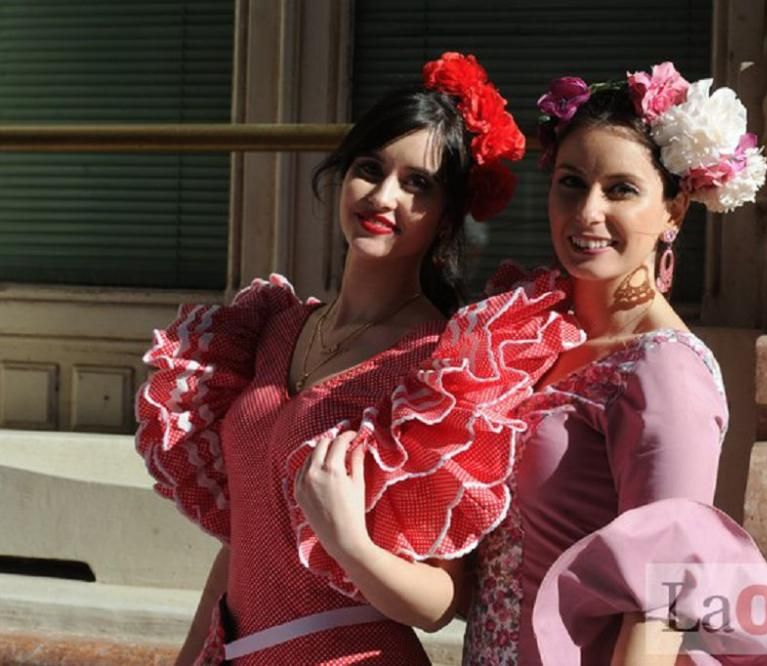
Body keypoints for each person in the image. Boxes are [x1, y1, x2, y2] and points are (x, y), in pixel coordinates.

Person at [134, 52, 526, 665]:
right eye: (370, 168)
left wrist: (349, 542)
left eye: (416, 183)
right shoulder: (275, 327)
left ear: (446, 214)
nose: (383, 195)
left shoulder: (438, 369)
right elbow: (247, 542)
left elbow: (445, 599)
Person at [455, 65, 767, 664]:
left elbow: (662, 602)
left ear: (675, 211)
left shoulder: (664, 369)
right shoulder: (535, 337)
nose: (587, 211)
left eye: (620, 189)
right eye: (571, 183)